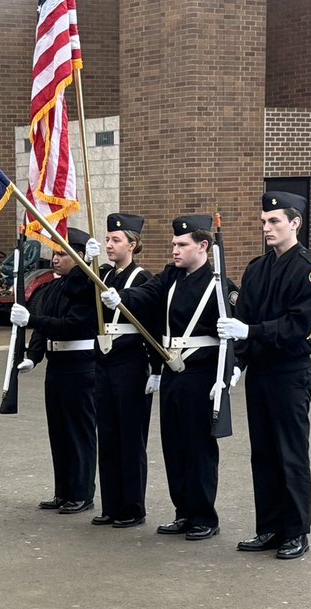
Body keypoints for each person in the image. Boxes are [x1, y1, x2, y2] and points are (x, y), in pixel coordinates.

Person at [102, 216, 238, 540]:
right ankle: (184, 511)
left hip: (202, 374)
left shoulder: (221, 286)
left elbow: (234, 336)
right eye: (174, 244)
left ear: (203, 246)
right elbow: (146, 295)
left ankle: (204, 516)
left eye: (182, 244)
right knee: (173, 446)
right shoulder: (171, 277)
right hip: (173, 372)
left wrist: (231, 372)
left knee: (198, 448)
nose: (175, 250)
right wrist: (121, 298)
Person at [217, 191, 311, 560]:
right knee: (262, 452)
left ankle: (296, 531)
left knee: (290, 452)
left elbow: (297, 325)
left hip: (289, 372)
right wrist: (236, 364)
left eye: (275, 221)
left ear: (295, 223)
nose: (267, 227)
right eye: (264, 221)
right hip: (261, 372)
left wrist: (250, 334)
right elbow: (241, 321)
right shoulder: (256, 269)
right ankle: (269, 527)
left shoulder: (308, 271)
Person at [11, 227, 99, 515]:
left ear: (80, 256)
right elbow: (44, 327)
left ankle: (82, 493)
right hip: (58, 366)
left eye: (62, 253)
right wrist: (33, 357)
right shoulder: (52, 287)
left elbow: (72, 325)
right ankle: (64, 491)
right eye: (55, 251)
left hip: (81, 367)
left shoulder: (87, 287)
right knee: (59, 433)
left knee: (79, 434)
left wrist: (31, 319)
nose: (55, 258)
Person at [91, 213, 158, 528]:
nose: (109, 245)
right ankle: (112, 503)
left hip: (130, 362)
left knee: (130, 437)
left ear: (133, 244)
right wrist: (87, 262)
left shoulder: (142, 279)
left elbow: (153, 325)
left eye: (116, 240)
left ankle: (133, 506)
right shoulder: (103, 276)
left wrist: (156, 369)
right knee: (107, 434)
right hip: (104, 362)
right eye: (107, 239)